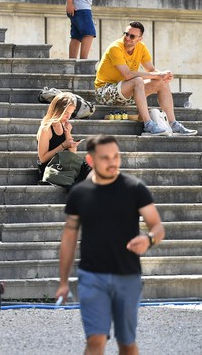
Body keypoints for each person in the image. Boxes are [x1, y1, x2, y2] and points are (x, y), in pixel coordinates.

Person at [55, 134, 165, 355]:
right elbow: (68, 239)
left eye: (116, 156)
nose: (113, 162)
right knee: (95, 341)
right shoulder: (79, 194)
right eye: (105, 158)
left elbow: (158, 227)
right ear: (90, 160)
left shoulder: (134, 188)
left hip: (128, 277)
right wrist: (64, 281)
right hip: (92, 277)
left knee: (126, 343)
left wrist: (149, 239)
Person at [94, 21, 196, 136]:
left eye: (132, 36)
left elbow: (151, 70)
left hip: (126, 91)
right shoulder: (115, 48)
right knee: (138, 80)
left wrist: (163, 75)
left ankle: (173, 124)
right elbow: (128, 75)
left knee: (161, 81)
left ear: (140, 39)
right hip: (105, 92)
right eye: (126, 34)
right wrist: (158, 75)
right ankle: (148, 124)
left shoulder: (141, 48)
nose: (127, 38)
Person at [36, 92, 85, 183]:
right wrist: (63, 145)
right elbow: (43, 158)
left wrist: (68, 134)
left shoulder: (63, 125)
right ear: (57, 110)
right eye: (66, 112)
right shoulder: (46, 128)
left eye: (70, 113)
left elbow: (73, 154)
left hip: (64, 167)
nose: (68, 116)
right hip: (51, 170)